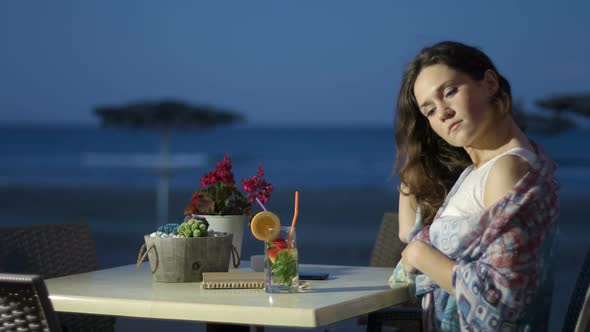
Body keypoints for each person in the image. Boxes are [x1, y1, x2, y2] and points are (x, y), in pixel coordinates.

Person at [390, 41, 559, 331]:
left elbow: (501, 299)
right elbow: (408, 233)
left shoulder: (506, 170)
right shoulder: (477, 172)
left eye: (450, 92)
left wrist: (421, 255)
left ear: (489, 83)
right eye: (429, 110)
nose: (442, 113)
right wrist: (415, 150)